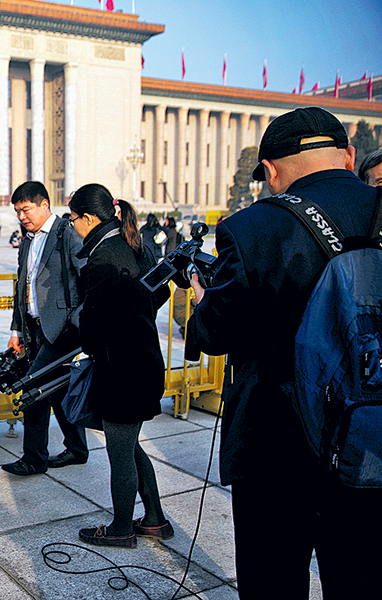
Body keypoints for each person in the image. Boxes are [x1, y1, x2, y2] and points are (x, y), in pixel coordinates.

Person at [188, 107, 382, 598]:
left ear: (271, 170)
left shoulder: (253, 228)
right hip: (372, 441)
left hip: (278, 445)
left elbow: (214, 334)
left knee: (274, 583)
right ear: (349, 155)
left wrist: (202, 301)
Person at [67, 183, 172, 549]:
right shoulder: (133, 243)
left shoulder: (103, 255)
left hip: (121, 369)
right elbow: (161, 291)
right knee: (129, 445)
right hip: (144, 361)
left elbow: (91, 323)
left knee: (120, 452)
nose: (73, 225)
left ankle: (121, 527)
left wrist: (95, 343)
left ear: (90, 217)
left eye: (74, 218)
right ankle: (156, 520)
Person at [0, 181, 88, 477]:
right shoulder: (27, 239)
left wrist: (77, 321)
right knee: (59, 389)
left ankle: (34, 458)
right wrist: (17, 330)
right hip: (35, 328)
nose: (22, 216)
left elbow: (87, 276)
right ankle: (77, 449)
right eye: (18, 212)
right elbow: (21, 285)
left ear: (45, 205)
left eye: (26, 209)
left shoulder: (67, 233)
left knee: (33, 388)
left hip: (63, 330)